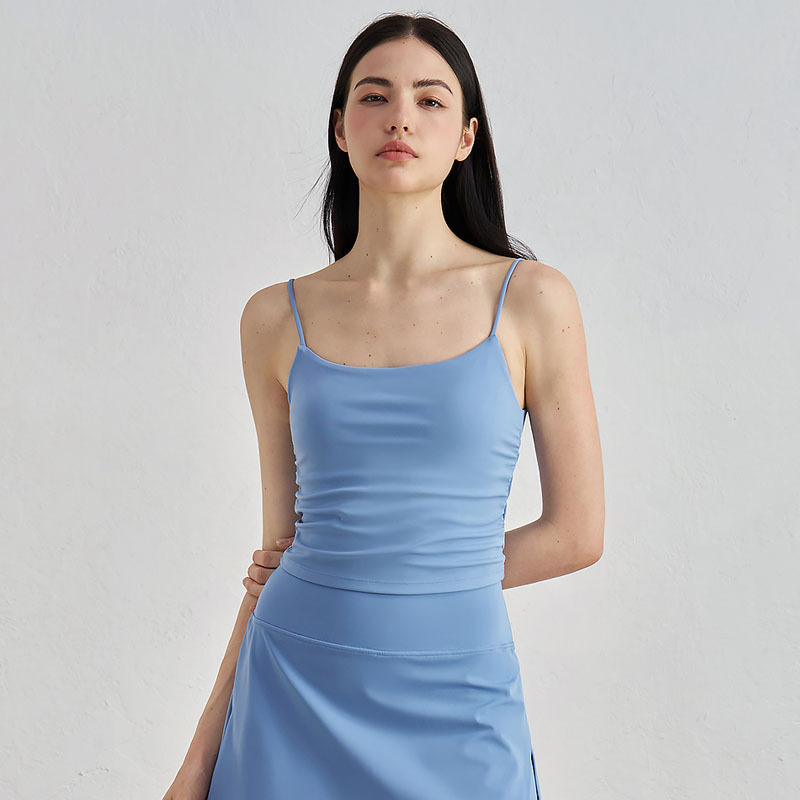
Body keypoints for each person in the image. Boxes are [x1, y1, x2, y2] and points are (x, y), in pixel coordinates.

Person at [163, 12, 604, 800]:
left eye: (430, 100)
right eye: (375, 96)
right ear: (340, 128)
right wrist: (195, 766)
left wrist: (419, 574)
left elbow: (578, 534)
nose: (400, 117)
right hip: (292, 686)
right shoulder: (273, 318)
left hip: (459, 697)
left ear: (466, 137)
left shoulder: (532, 299)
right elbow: (276, 554)